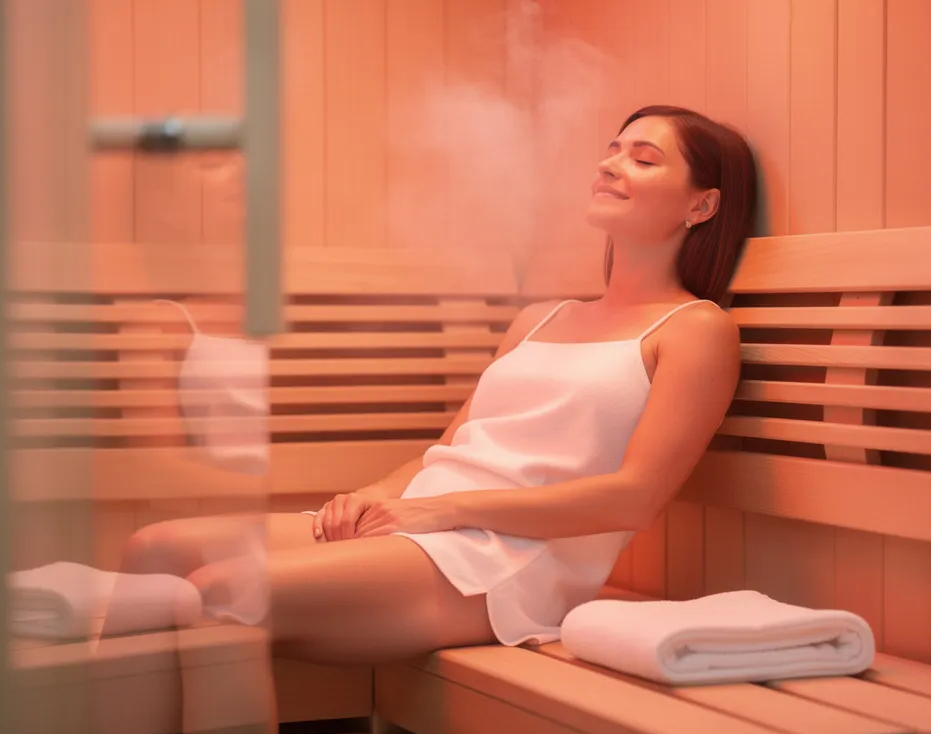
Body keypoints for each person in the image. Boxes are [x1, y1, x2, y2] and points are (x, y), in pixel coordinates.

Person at [118, 104, 759, 666]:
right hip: (424, 519)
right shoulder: (541, 319)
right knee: (155, 551)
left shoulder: (695, 329)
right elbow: (446, 452)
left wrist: (444, 510)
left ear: (701, 205)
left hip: (512, 557)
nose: (610, 164)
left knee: (221, 594)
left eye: (643, 159)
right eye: (612, 150)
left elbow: (633, 500)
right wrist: (369, 496)